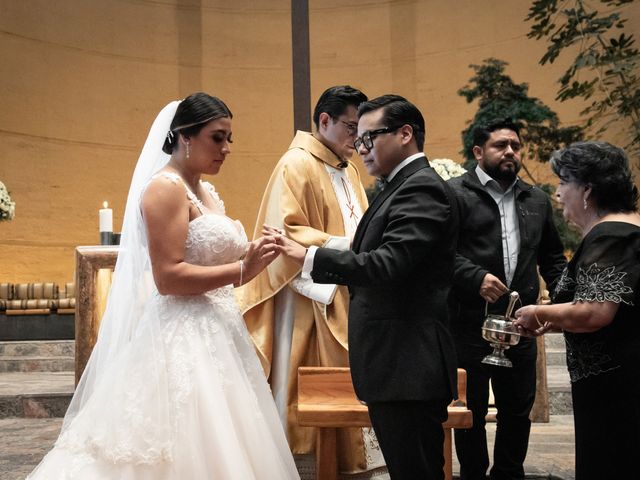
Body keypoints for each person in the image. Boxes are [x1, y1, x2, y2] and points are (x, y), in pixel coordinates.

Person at [27, 93, 300, 479]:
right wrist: (242, 269)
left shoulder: (203, 190)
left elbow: (208, 255)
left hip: (217, 331)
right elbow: (168, 278)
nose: (227, 149)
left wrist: (253, 254)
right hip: (181, 336)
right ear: (184, 137)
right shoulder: (165, 188)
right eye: (217, 137)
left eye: (229, 139)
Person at [265, 94, 460, 480]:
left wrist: (310, 257)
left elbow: (389, 264)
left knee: (416, 470)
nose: (361, 147)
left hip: (407, 366)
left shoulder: (420, 188)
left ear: (405, 134)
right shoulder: (396, 184)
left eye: (370, 137)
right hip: (397, 366)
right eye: (358, 135)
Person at [238, 86, 380, 473]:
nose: (358, 139)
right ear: (324, 121)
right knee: (306, 381)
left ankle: (350, 460)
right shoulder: (295, 164)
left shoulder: (348, 167)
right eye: (352, 128)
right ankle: (306, 464)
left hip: (347, 288)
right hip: (308, 296)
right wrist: (350, 248)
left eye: (363, 131)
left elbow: (364, 222)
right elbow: (285, 232)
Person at [447, 118, 566, 480]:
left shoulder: (536, 199)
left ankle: (509, 474)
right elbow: (436, 252)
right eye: (501, 145)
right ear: (479, 152)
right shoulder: (453, 194)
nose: (511, 151)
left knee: (517, 410)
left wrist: (565, 305)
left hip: (520, 325)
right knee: (471, 411)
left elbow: (554, 259)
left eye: (515, 144)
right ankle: (472, 474)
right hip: (468, 324)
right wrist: (475, 276)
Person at [513, 141, 640, 480]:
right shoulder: (620, 232)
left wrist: (541, 314)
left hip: (617, 390)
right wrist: (552, 321)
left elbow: (596, 311)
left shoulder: (610, 236)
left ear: (586, 189)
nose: (557, 194)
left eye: (562, 182)